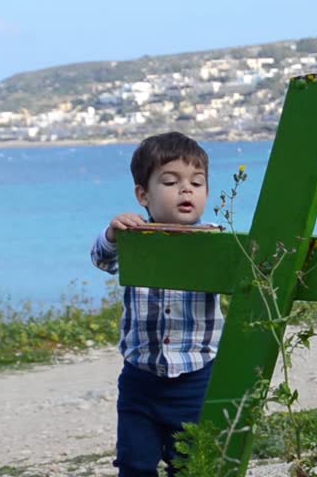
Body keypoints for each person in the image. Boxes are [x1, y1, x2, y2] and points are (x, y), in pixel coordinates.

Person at [90, 131, 224, 477]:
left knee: (192, 465)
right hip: (140, 377)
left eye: (197, 182)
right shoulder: (136, 240)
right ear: (143, 195)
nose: (186, 189)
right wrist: (113, 234)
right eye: (170, 181)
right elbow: (102, 259)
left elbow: (245, 273)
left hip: (196, 375)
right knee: (134, 462)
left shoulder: (215, 242)